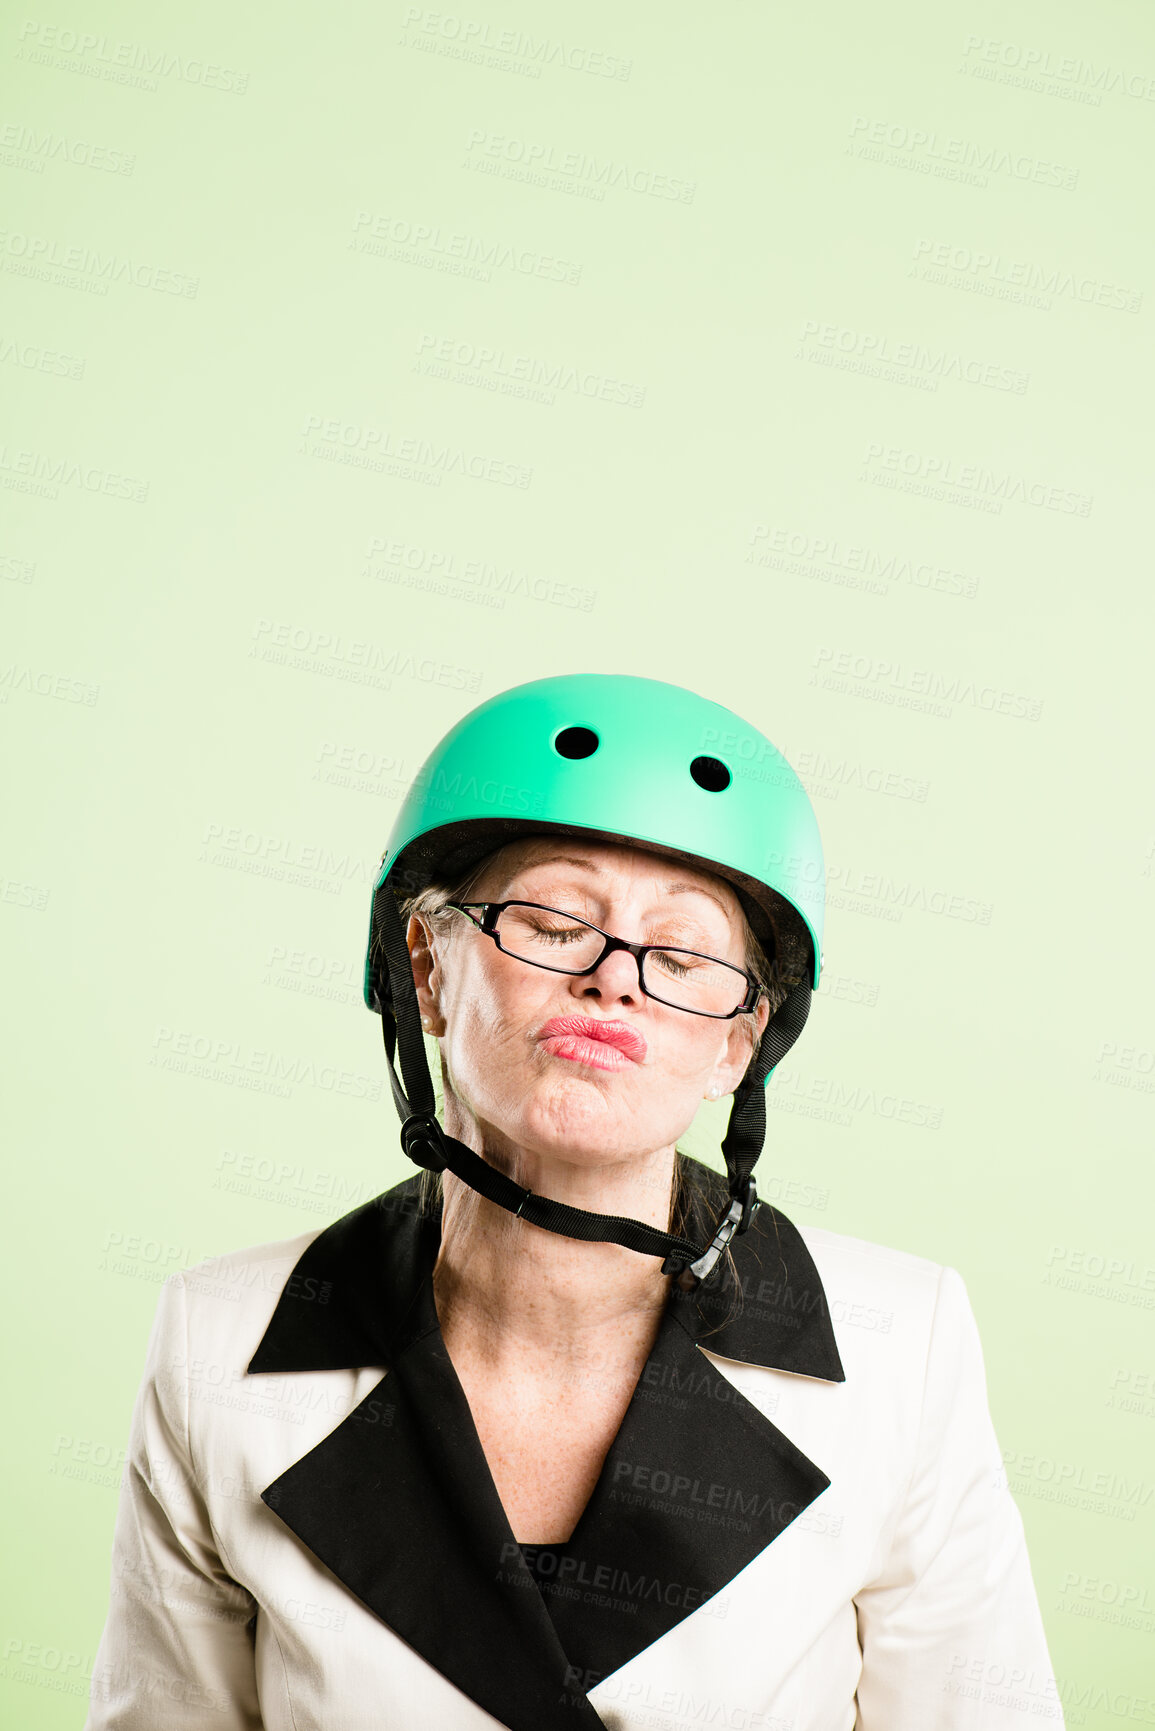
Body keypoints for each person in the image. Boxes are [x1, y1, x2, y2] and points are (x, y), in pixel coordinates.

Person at [85, 672, 1064, 1730]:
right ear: (425, 967)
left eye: (683, 953)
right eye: (553, 922)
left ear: (737, 1043)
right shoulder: (215, 1341)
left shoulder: (901, 1344)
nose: (617, 979)